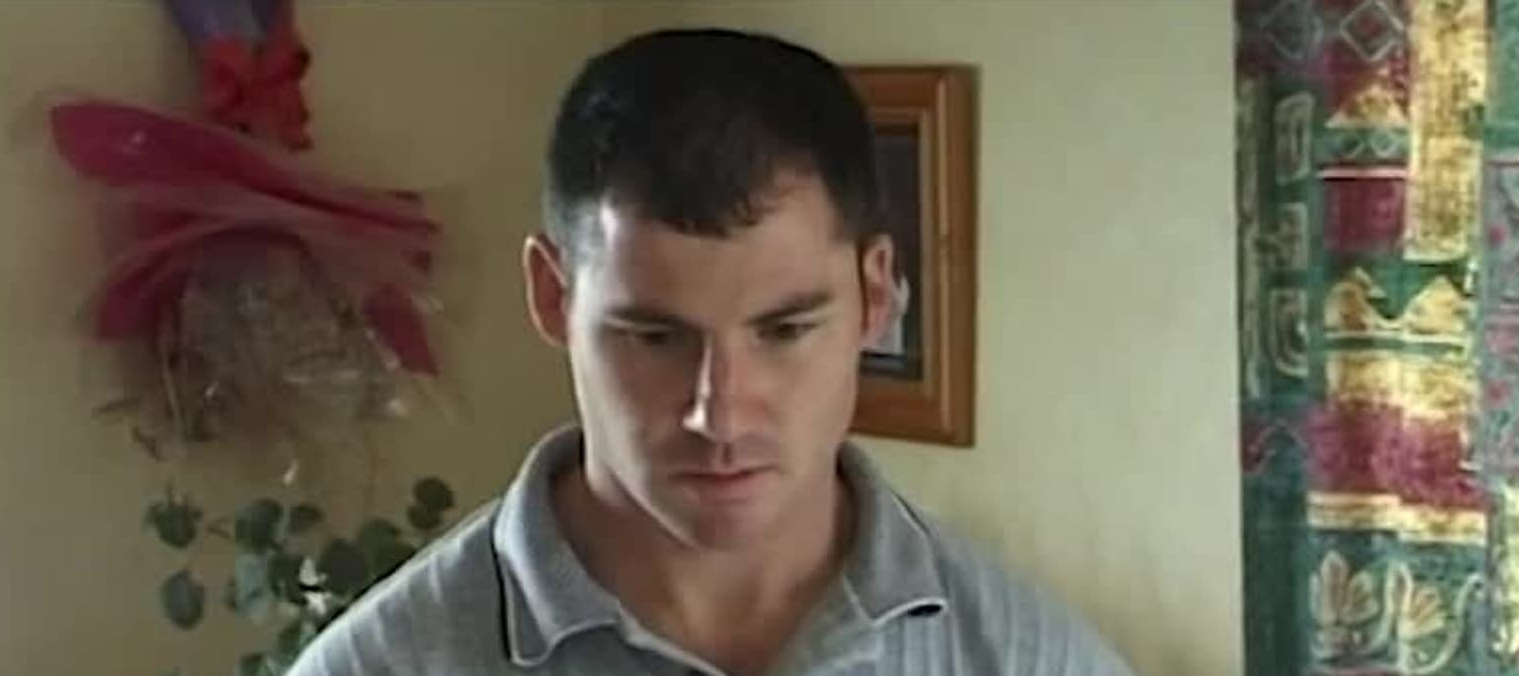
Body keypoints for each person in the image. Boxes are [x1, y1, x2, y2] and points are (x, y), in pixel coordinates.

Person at [289, 28, 1136, 676]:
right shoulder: (379, 665)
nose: (719, 414)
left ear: (876, 296)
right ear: (553, 297)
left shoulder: (1030, 659)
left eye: (785, 330)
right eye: (656, 337)